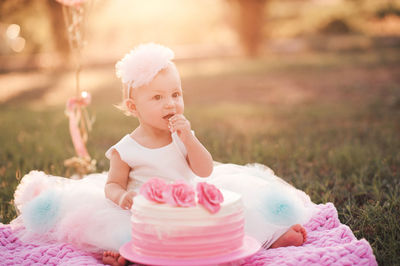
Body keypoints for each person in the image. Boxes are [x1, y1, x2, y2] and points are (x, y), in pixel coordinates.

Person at [12, 43, 315, 266]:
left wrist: (189, 139)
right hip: (145, 213)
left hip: (189, 205)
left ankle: (271, 237)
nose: (170, 103)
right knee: (132, 236)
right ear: (134, 108)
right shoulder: (126, 148)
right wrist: (122, 198)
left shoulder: (181, 135)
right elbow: (112, 184)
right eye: (157, 97)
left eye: (175, 94)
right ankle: (126, 257)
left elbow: (205, 170)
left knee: (231, 219)